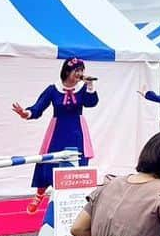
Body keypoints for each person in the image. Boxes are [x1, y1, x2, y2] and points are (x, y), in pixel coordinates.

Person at [12, 57, 99, 213]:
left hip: (77, 130)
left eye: (81, 70)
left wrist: (90, 84)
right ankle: (39, 195)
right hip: (58, 130)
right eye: (76, 70)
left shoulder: (83, 87)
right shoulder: (53, 89)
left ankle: (75, 202)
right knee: (47, 163)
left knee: (77, 164)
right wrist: (26, 113)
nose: (80, 73)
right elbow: (38, 108)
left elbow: (91, 103)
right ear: (67, 71)